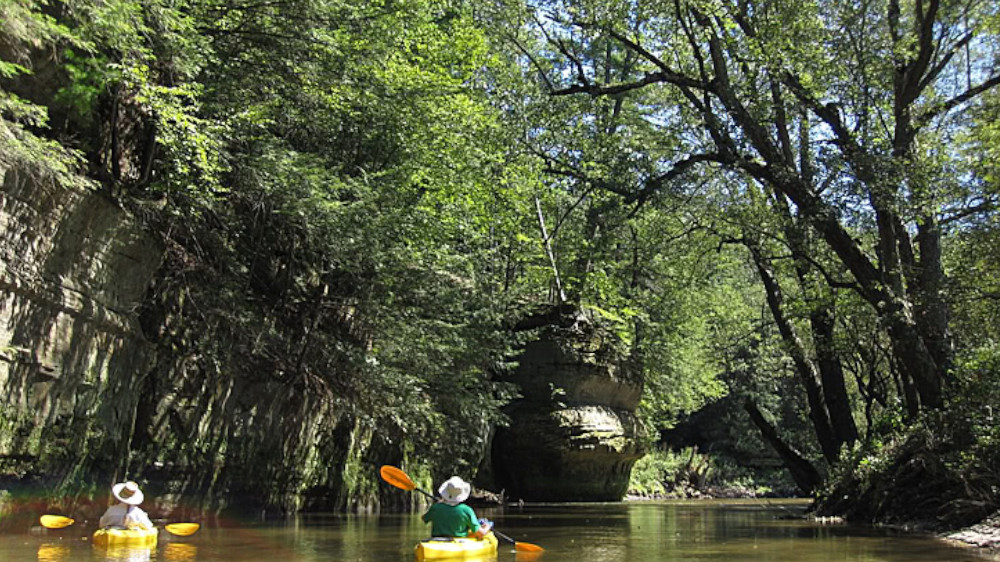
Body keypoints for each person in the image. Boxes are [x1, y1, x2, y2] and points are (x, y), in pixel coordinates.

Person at [422, 476, 492, 538]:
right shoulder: (467, 510)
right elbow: (480, 534)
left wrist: (439, 504)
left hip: (436, 541)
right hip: (458, 543)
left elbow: (424, 518)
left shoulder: (436, 508)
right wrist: (488, 526)